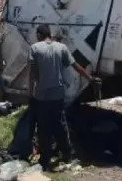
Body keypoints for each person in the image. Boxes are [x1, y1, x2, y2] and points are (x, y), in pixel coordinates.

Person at [28, 24, 101, 171]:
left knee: (44, 127)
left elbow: (32, 74)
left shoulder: (35, 48)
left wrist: (31, 93)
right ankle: (68, 154)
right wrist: (90, 78)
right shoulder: (61, 48)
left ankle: (45, 159)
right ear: (50, 34)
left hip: (42, 95)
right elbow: (76, 66)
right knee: (60, 125)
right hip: (58, 94)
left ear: (38, 35)